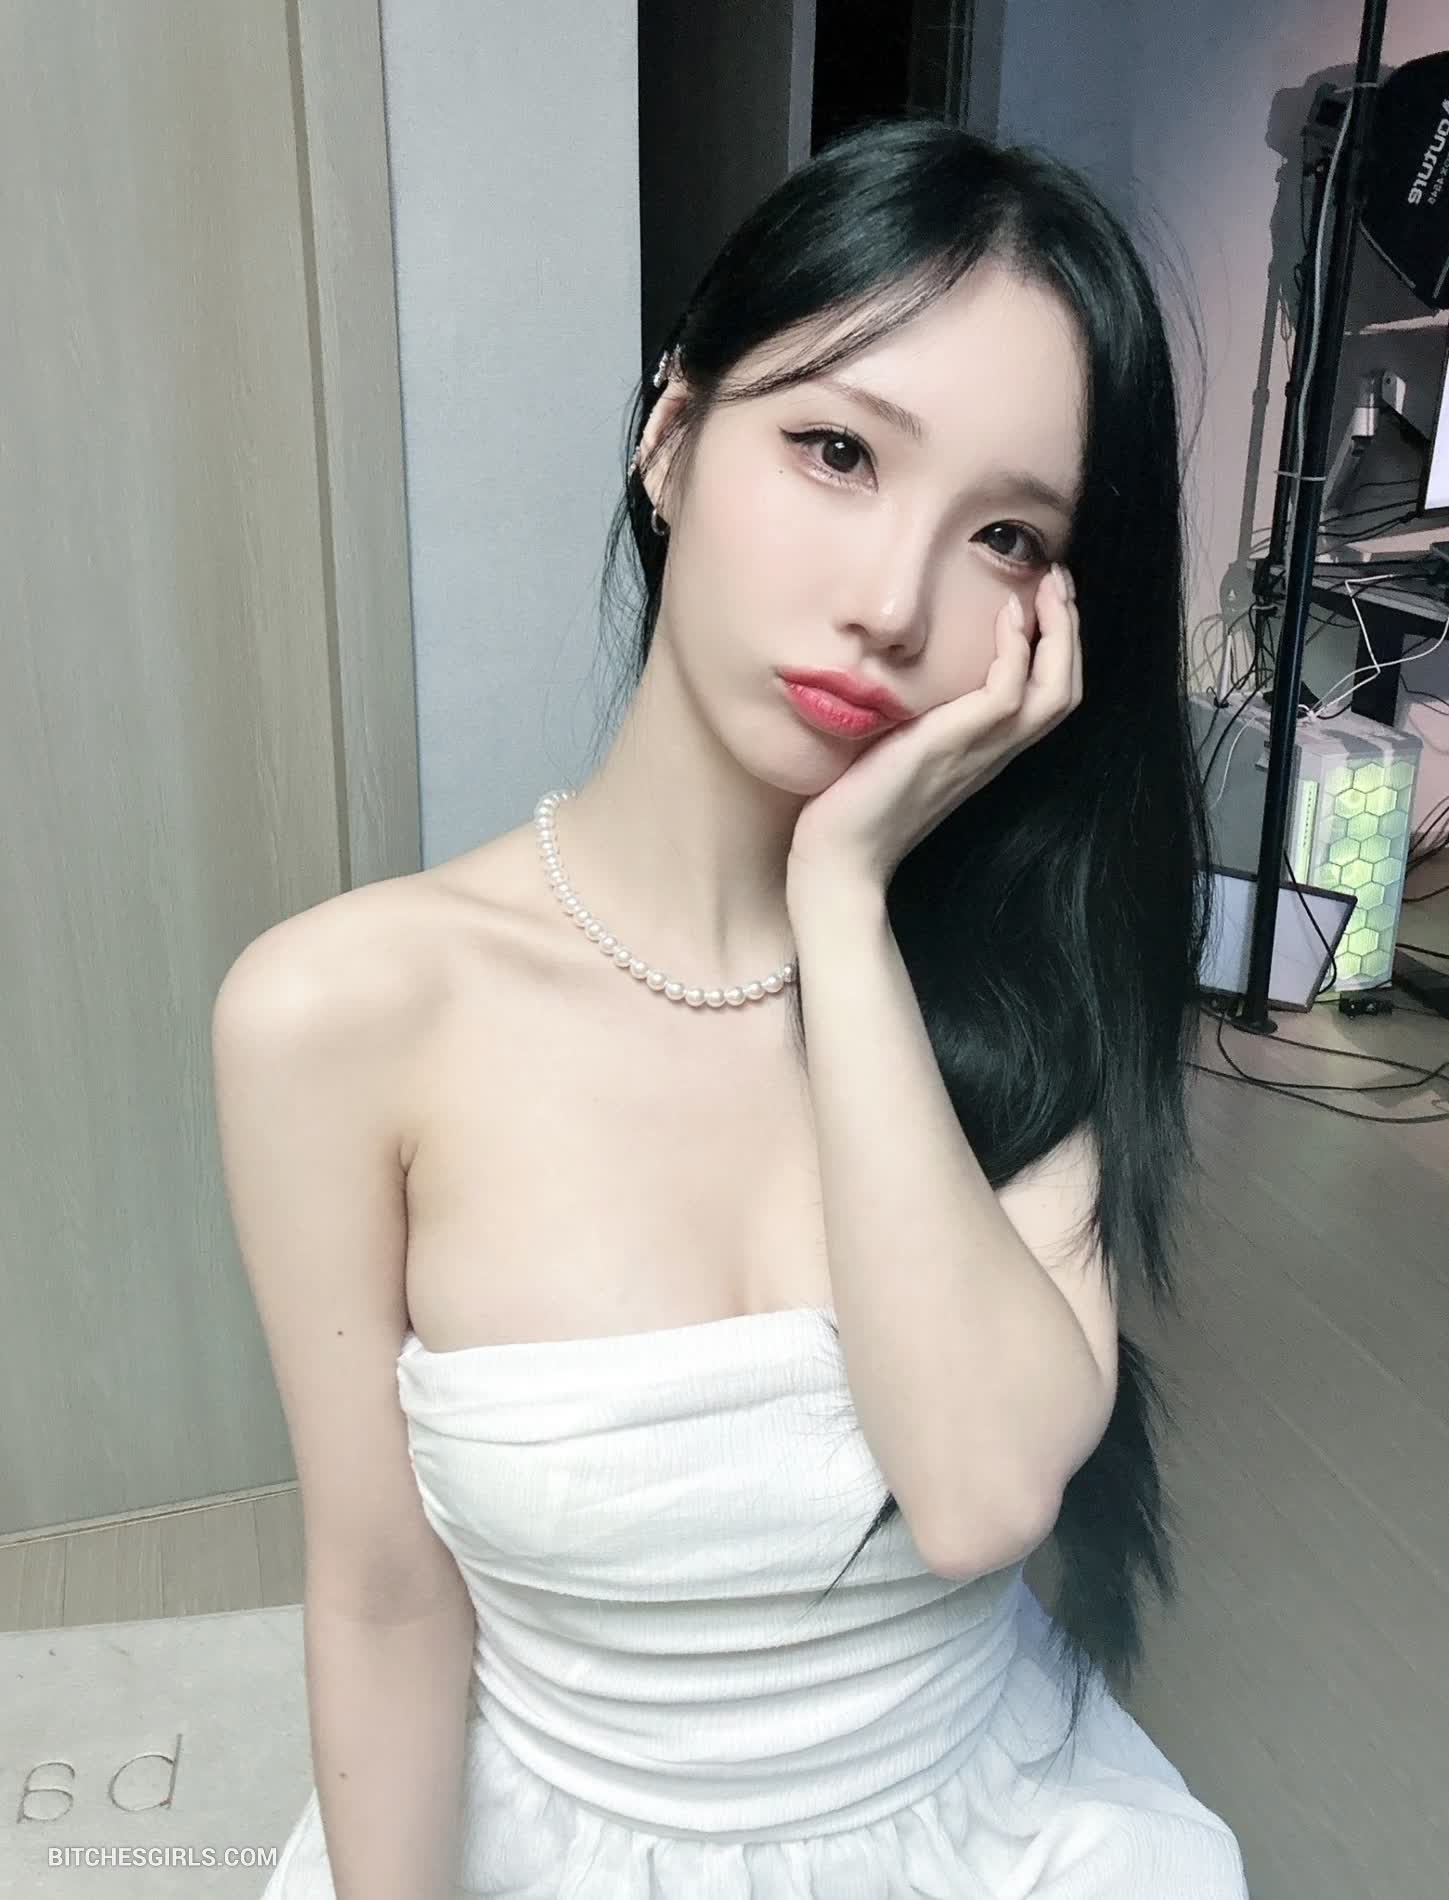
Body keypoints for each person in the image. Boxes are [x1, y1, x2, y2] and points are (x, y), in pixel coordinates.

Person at [213, 115, 1249, 1898]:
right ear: (672, 438)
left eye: (1005, 534)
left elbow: (979, 1496)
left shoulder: (1030, 970)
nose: (891, 605)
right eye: (836, 450)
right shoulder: (338, 1013)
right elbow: (381, 1593)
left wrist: (840, 904)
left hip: (991, 1833)